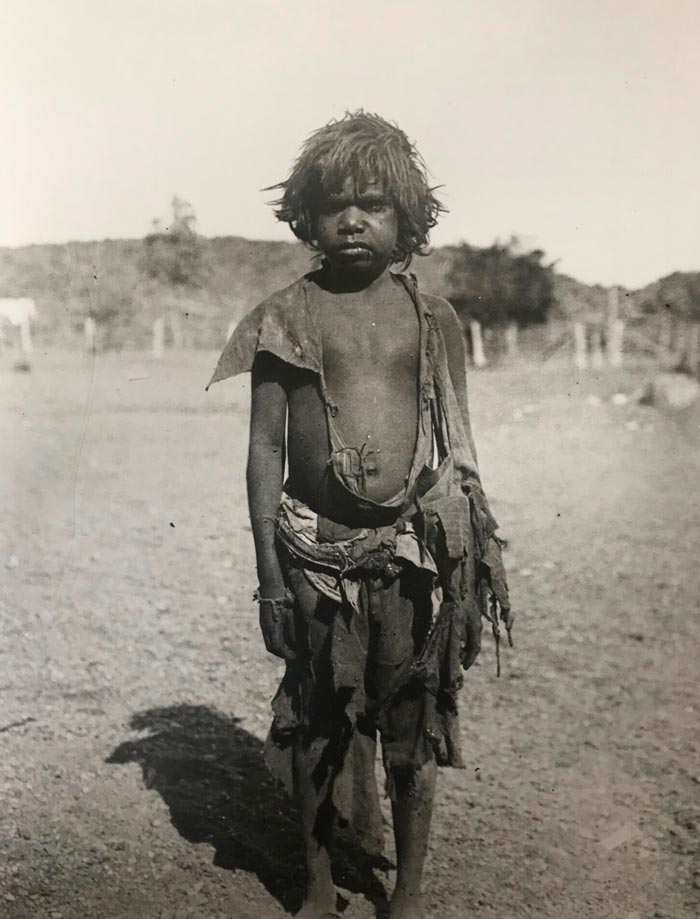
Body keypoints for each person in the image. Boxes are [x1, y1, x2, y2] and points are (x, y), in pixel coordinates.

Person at [207, 111, 512, 919]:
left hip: (412, 554)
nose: (353, 220)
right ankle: (314, 881)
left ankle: (406, 890)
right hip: (314, 556)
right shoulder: (286, 317)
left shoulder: (433, 319)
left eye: (373, 204)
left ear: (407, 215)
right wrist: (271, 579)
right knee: (317, 723)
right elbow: (263, 451)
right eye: (335, 203)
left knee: (411, 725)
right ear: (306, 215)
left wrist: (469, 556)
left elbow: (460, 444)